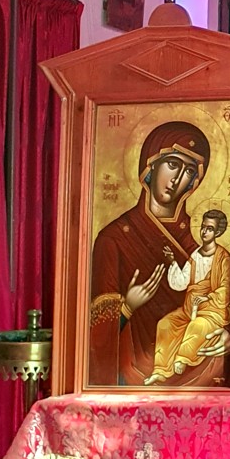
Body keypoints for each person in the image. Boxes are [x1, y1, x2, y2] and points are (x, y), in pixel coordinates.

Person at [89, 120, 210, 385]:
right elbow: (94, 337)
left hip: (189, 361)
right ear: (151, 164)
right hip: (133, 369)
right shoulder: (113, 239)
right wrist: (127, 307)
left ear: (194, 182)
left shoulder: (195, 240)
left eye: (189, 171)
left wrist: (228, 336)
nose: (177, 178)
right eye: (173, 164)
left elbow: (215, 307)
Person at [147, 209, 230, 382]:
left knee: (197, 325)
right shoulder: (195, 255)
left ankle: (182, 358)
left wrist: (208, 297)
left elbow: (226, 289)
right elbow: (181, 283)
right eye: (203, 227)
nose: (204, 232)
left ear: (218, 232)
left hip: (212, 311)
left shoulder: (223, 258)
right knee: (165, 324)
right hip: (190, 308)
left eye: (209, 229)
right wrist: (172, 261)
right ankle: (160, 371)